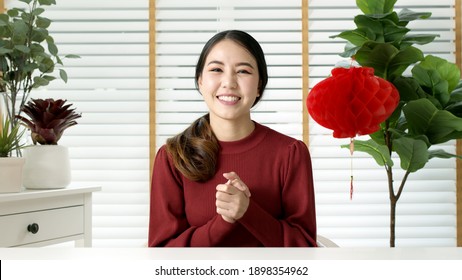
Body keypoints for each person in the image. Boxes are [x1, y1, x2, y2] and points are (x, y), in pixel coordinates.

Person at [148, 30, 317, 247]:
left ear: (259, 86)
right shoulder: (172, 156)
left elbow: (306, 248)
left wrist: (248, 211)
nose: (229, 82)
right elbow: (162, 253)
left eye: (243, 71)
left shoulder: (291, 153)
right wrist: (223, 223)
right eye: (216, 69)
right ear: (200, 81)